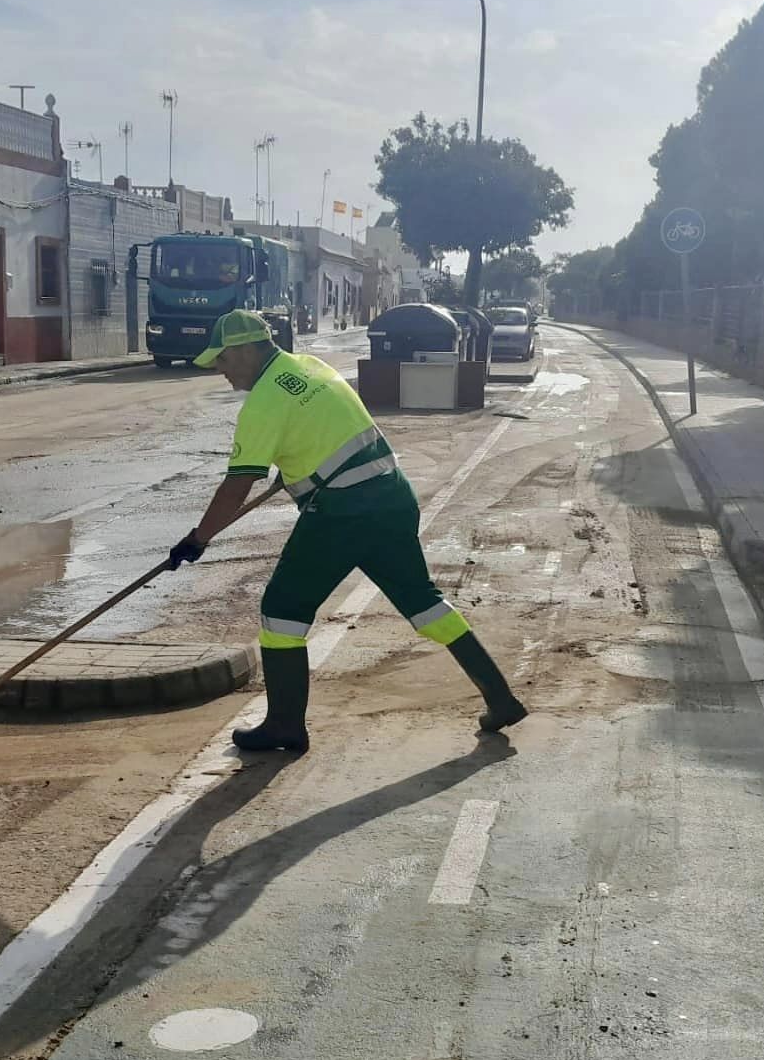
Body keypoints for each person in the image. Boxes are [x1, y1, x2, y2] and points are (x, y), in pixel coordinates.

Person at [165, 309, 526, 753]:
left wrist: (198, 538)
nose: (219, 370)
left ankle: (284, 725)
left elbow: (239, 481)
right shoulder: (309, 368)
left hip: (342, 514)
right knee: (423, 602)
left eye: (221, 359)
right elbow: (322, 430)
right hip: (392, 497)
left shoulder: (263, 402)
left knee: (282, 610)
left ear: (242, 350)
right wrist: (297, 466)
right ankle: (501, 697)